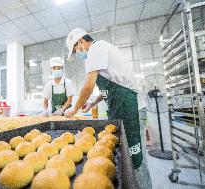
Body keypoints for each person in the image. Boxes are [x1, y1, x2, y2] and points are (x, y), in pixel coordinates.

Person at [64, 28, 152, 188]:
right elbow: (112, 85)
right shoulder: (99, 51)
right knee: (127, 162)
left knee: (135, 161)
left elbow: (88, 86)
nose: (77, 53)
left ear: (81, 42)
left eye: (76, 49)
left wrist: (73, 110)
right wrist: (92, 103)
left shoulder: (96, 49)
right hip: (122, 108)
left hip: (130, 109)